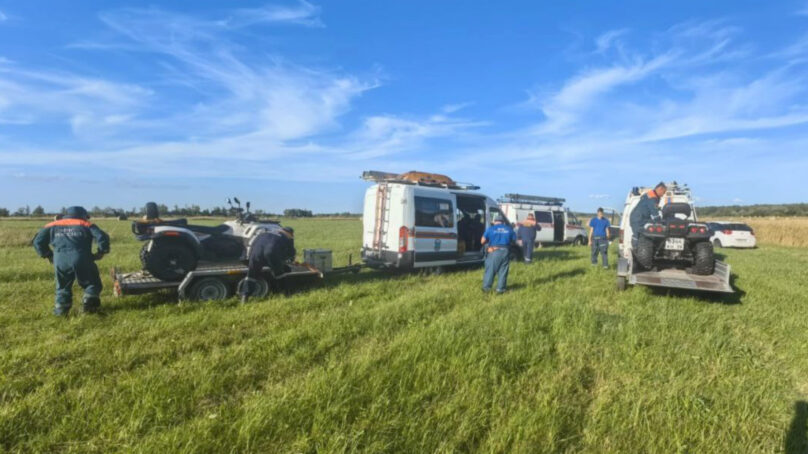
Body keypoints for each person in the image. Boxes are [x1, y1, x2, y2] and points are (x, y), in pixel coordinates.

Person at [32, 206, 110, 316]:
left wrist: (48, 255)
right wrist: (101, 252)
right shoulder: (86, 224)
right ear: (83, 215)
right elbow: (102, 237)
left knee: (62, 287)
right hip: (82, 257)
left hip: (60, 259)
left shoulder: (52, 225)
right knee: (92, 283)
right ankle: (90, 307)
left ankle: (61, 312)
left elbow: (37, 242)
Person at [240, 227, 296, 303]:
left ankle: (245, 297)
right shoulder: (285, 237)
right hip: (271, 253)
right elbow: (291, 252)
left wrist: (249, 258)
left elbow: (252, 244)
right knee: (279, 274)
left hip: (256, 253)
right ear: (289, 233)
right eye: (291, 235)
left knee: (251, 275)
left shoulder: (263, 233)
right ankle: (286, 294)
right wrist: (287, 260)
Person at [481, 215, 516, 294]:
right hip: (505, 251)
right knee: (503, 271)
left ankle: (486, 289)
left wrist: (489, 245)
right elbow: (514, 240)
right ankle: (501, 289)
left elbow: (482, 241)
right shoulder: (509, 229)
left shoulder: (490, 229)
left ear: (494, 222)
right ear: (503, 222)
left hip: (494, 251)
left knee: (490, 270)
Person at [629, 182, 667, 250]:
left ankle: (638, 250)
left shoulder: (652, 195)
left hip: (641, 217)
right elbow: (655, 214)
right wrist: (662, 223)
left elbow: (652, 209)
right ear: (660, 189)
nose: (663, 194)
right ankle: (636, 251)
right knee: (638, 235)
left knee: (642, 234)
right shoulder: (652, 197)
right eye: (663, 192)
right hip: (638, 219)